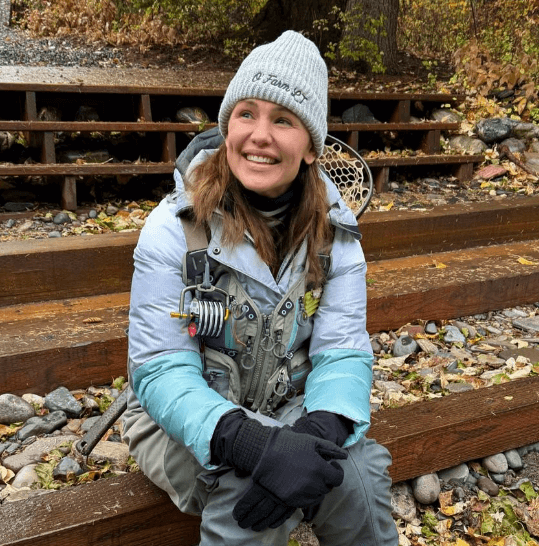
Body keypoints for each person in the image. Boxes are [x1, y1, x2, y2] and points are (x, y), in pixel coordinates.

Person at [121, 30, 398, 546]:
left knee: (356, 472)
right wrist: (250, 443)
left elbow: (342, 351)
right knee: (249, 486)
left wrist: (321, 433)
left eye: (283, 120)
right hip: (177, 422)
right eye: (246, 114)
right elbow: (159, 369)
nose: (260, 135)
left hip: (288, 404)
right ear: (227, 128)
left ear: (312, 147)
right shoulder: (172, 228)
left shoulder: (337, 235)